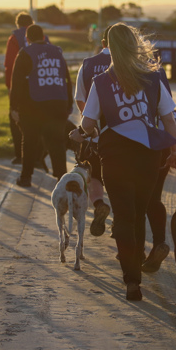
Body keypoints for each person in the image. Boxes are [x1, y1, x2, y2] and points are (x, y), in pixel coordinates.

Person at [80, 23, 176, 301]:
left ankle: (131, 281)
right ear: (135, 45)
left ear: (110, 47)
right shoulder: (152, 78)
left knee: (124, 217)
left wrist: (78, 132)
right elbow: (168, 118)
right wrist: (175, 151)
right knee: (138, 214)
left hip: (115, 155)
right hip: (148, 154)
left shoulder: (101, 82)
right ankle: (136, 267)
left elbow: (88, 123)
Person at [10, 24, 73, 187]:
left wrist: (14, 107)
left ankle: (25, 178)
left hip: (33, 106)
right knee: (57, 143)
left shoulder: (25, 53)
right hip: (58, 103)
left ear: (27, 38)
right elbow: (66, 79)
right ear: (44, 37)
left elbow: (16, 82)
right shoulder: (58, 53)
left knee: (29, 141)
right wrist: (69, 104)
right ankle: (62, 179)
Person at [141, 69, 176, 273]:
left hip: (135, 143)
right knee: (153, 198)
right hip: (160, 142)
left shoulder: (118, 71)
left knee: (133, 201)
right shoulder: (156, 74)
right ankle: (158, 242)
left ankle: (133, 251)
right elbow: (169, 116)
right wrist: (174, 149)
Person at [71, 26, 113, 237]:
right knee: (120, 176)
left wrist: (89, 125)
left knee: (95, 174)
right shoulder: (129, 64)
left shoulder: (88, 65)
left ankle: (98, 204)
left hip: (94, 132)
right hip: (124, 133)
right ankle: (123, 223)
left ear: (103, 42)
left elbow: (80, 98)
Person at [5, 12, 34, 164]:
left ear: (17, 24)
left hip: (19, 86)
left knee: (16, 119)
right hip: (37, 86)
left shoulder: (14, 38)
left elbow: (9, 64)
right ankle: (36, 155)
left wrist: (9, 87)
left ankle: (19, 154)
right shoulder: (40, 36)